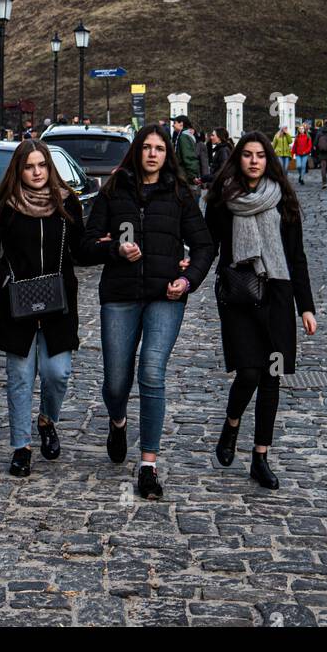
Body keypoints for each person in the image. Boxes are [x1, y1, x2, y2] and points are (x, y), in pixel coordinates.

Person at [81, 124, 215, 499]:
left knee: (152, 372)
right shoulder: (112, 190)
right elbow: (85, 246)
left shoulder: (179, 195)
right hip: (120, 296)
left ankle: (148, 466)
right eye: (147, 147)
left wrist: (187, 282)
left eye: (159, 148)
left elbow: (204, 247)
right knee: (115, 382)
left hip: (164, 297)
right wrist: (114, 251)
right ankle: (118, 420)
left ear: (166, 154)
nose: (153, 153)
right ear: (137, 151)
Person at [205, 131, 317, 489]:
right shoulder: (223, 200)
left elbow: (296, 256)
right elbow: (208, 244)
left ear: (268, 161)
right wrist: (187, 269)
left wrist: (306, 308)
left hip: (278, 293)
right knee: (249, 372)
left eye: (260, 155)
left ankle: (260, 457)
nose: (254, 160)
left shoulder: (283, 200)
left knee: (271, 376)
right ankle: (232, 424)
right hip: (240, 293)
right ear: (238, 159)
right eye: (247, 155)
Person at [0, 141, 85, 476]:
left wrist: (113, 250)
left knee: (58, 373)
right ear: (18, 170)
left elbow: (80, 251)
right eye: (29, 167)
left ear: (49, 167)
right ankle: (21, 447)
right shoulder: (5, 206)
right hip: (18, 304)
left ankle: (46, 420)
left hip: (59, 303)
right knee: (20, 378)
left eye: (42, 165)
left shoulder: (67, 204)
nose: (37, 173)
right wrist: (5, 281)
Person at [172, 115, 201, 191]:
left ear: (181, 123)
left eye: (175, 123)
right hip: (185, 175)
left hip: (185, 176)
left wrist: (193, 176)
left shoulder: (183, 137)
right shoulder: (185, 135)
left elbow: (189, 157)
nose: (173, 125)